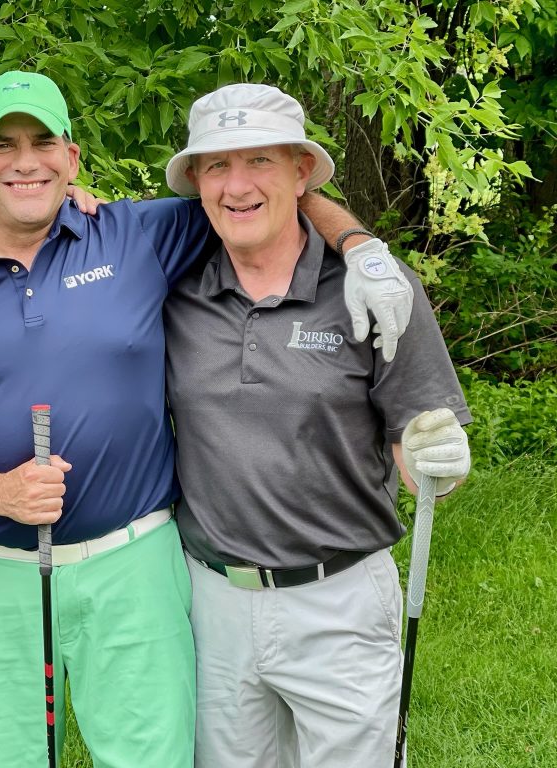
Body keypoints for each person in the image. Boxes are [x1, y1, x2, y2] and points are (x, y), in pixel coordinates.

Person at [0, 70, 415, 768]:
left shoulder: (135, 235)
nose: (25, 161)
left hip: (132, 566)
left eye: (43, 142)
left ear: (72, 158)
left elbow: (263, 193)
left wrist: (358, 244)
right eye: (3, 145)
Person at [162, 83, 472, 768]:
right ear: (197, 181)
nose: (237, 185)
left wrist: (441, 460)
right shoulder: (174, 287)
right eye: (217, 165)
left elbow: (423, 459)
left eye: (260, 161)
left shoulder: (376, 289)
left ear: (302, 171)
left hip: (340, 601)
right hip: (211, 601)